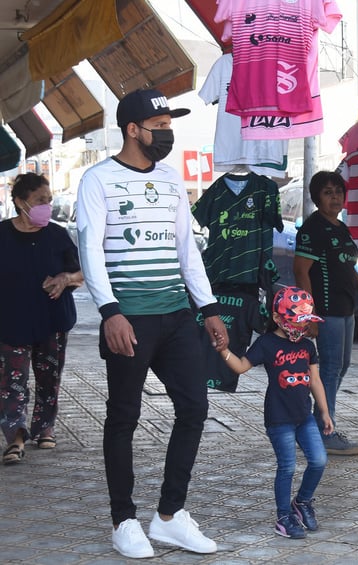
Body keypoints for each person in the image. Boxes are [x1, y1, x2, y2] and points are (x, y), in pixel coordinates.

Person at [76, 88, 230, 559]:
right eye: (159, 125)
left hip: (176, 315)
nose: (167, 132)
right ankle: (123, 520)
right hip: (129, 317)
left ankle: (169, 516)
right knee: (124, 417)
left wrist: (207, 309)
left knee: (195, 408)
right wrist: (110, 312)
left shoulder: (169, 179)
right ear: (133, 130)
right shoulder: (97, 180)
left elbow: (186, 248)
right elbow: (91, 250)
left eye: (169, 124)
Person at [220, 286, 332, 538]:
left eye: (305, 322)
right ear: (278, 318)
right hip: (279, 418)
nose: (302, 328)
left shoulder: (307, 345)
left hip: (305, 416)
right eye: (296, 321)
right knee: (287, 467)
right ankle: (284, 517)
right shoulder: (266, 343)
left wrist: (324, 412)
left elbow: (315, 381)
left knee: (319, 460)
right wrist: (223, 350)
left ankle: (302, 502)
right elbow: (240, 367)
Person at [1, 173, 83, 465]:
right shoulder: (2, 235)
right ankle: (16, 438)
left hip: (53, 322)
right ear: (20, 202)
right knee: (12, 383)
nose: (46, 207)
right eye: (39, 201)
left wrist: (65, 278)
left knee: (50, 380)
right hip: (11, 324)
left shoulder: (57, 235)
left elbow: (82, 275)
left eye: (49, 201)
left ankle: (44, 427)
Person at [293, 171, 358, 456]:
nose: (335, 197)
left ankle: (318, 421)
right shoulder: (311, 229)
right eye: (328, 192)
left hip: (345, 308)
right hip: (325, 310)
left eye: (338, 192)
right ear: (317, 197)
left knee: (341, 367)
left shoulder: (341, 227)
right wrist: (309, 314)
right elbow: (301, 271)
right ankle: (323, 432)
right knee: (329, 369)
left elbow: (347, 265)